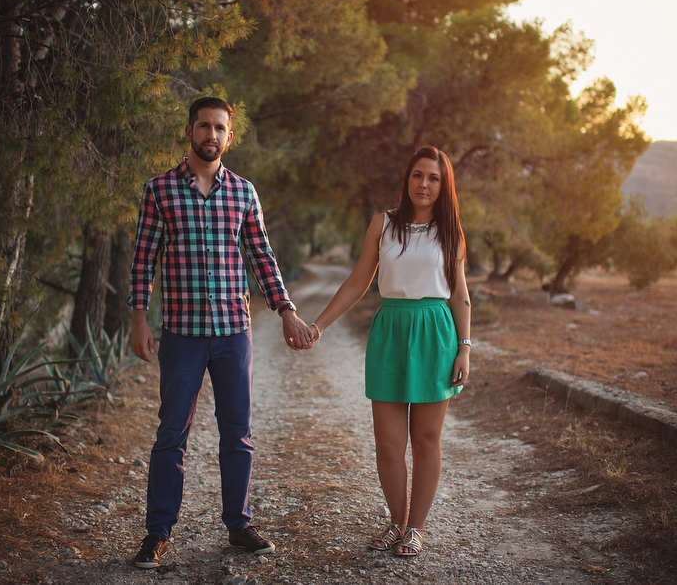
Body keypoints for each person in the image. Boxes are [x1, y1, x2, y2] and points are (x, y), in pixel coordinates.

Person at [128, 96, 314, 569]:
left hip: (234, 332)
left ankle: (238, 525)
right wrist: (137, 318)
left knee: (238, 433)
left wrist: (286, 309)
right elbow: (143, 259)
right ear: (189, 132)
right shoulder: (160, 190)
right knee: (171, 434)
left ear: (230, 136)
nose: (211, 135)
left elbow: (261, 257)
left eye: (220, 128)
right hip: (182, 335)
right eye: (204, 126)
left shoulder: (244, 193)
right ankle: (157, 533)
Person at [306, 145, 472, 557]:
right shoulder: (383, 223)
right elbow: (358, 281)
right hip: (390, 331)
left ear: (443, 184)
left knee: (427, 439)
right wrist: (319, 324)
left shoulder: (450, 231)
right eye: (418, 175)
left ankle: (416, 528)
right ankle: (396, 521)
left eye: (434, 178)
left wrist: (465, 348)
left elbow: (460, 294)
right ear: (407, 178)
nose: (424, 184)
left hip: (435, 332)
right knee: (388, 443)